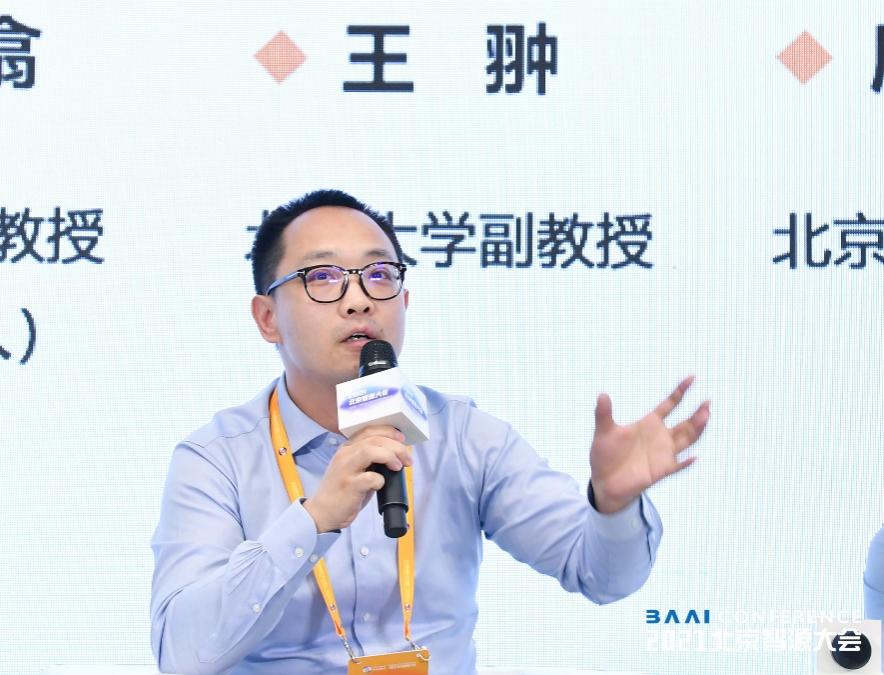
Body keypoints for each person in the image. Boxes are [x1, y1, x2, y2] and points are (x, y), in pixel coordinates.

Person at [149, 189, 711, 674]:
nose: (358, 300)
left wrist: (612, 507)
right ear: (267, 318)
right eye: (323, 277)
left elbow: (604, 577)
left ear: (404, 301)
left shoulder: (464, 437)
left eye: (379, 275)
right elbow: (182, 652)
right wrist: (313, 520)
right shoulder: (216, 459)